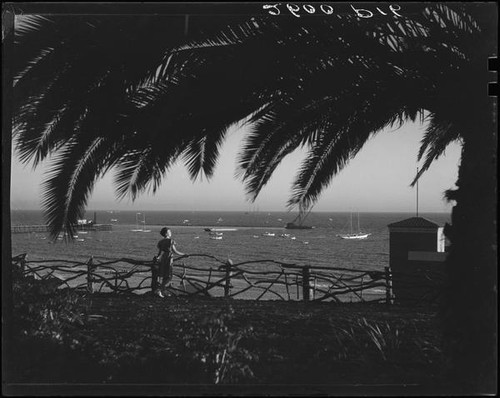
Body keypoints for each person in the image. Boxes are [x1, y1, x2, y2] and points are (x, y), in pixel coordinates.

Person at [154, 227, 186, 298]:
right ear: (166, 233)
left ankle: (162, 290)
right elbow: (175, 251)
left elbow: (160, 252)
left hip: (162, 259)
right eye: (169, 231)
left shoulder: (160, 242)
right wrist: (184, 254)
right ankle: (160, 289)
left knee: (163, 275)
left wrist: (158, 258)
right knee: (169, 276)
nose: (171, 233)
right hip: (168, 259)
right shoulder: (170, 241)